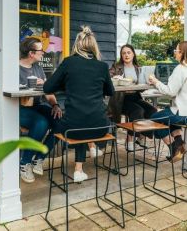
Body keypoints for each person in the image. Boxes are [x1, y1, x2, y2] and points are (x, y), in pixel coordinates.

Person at [44, 26, 114, 183]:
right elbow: (110, 91)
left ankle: (36, 160)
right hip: (100, 128)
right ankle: (79, 168)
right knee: (82, 119)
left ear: (76, 45)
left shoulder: (68, 63)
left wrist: (68, 84)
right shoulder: (102, 66)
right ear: (94, 46)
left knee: (69, 120)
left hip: (74, 128)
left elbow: (47, 88)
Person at [148, 41, 187, 163]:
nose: (175, 53)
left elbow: (170, 91)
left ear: (182, 53)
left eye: (177, 50)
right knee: (169, 115)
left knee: (154, 119)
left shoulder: (181, 68)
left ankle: (173, 146)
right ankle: (179, 142)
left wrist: (155, 82)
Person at [19, 37, 63, 183]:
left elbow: (47, 90)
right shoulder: (14, 68)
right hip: (18, 108)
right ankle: (24, 163)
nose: (43, 53)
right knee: (41, 122)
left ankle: (39, 158)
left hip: (37, 106)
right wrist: (28, 86)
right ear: (31, 53)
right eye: (40, 50)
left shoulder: (38, 67)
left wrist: (55, 105)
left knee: (61, 121)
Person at [108, 44, 157, 151]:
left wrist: (147, 83)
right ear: (121, 55)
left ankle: (141, 135)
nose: (126, 55)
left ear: (133, 54)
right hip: (121, 99)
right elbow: (108, 77)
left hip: (135, 96)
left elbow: (141, 87)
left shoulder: (138, 68)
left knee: (152, 110)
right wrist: (114, 77)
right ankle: (130, 138)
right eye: (124, 53)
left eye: (128, 52)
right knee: (138, 110)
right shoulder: (116, 67)